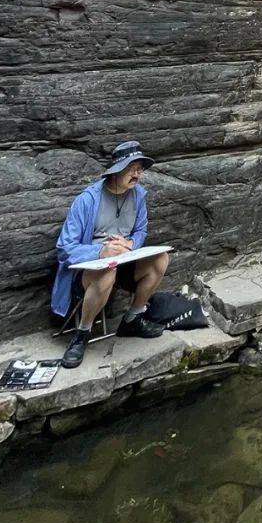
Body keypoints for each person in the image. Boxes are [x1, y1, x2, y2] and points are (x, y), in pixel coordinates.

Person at [52, 140, 170, 368]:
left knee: (161, 260)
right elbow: (64, 249)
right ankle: (82, 334)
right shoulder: (87, 200)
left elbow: (141, 230)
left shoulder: (138, 196)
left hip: (125, 261)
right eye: (132, 169)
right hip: (90, 269)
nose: (137, 174)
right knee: (107, 271)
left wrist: (131, 243)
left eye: (140, 169)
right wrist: (101, 250)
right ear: (116, 171)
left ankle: (132, 319)